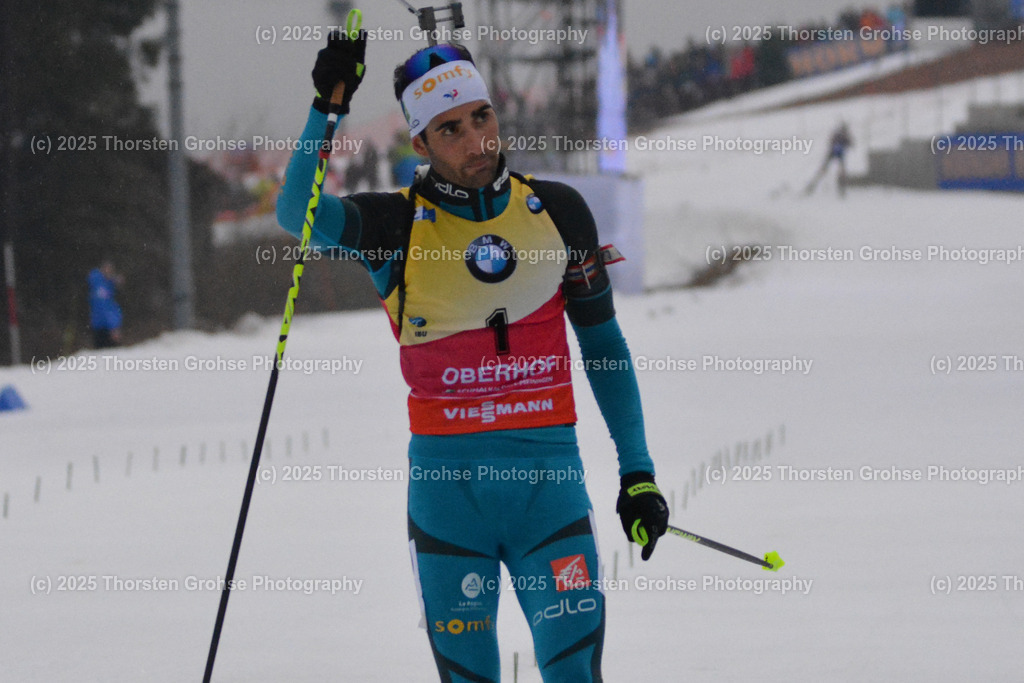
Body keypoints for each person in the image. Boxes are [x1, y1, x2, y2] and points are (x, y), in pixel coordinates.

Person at [276, 31, 668, 682]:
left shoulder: (560, 214)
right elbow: (297, 211)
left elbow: (602, 346)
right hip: (447, 499)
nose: (476, 141)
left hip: (550, 491)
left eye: (481, 117)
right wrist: (328, 106)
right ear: (421, 144)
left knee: (575, 673)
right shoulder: (394, 227)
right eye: (451, 129)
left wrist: (639, 473)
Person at [805, 122, 853, 197]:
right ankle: (812, 186)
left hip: (836, 154)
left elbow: (849, 144)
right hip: (834, 153)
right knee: (828, 170)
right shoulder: (840, 135)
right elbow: (848, 144)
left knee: (839, 172)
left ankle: (842, 189)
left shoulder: (842, 135)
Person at [87, 260, 123, 348]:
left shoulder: (109, 288)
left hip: (106, 326)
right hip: (98, 325)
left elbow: (111, 310)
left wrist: (115, 326)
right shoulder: (97, 281)